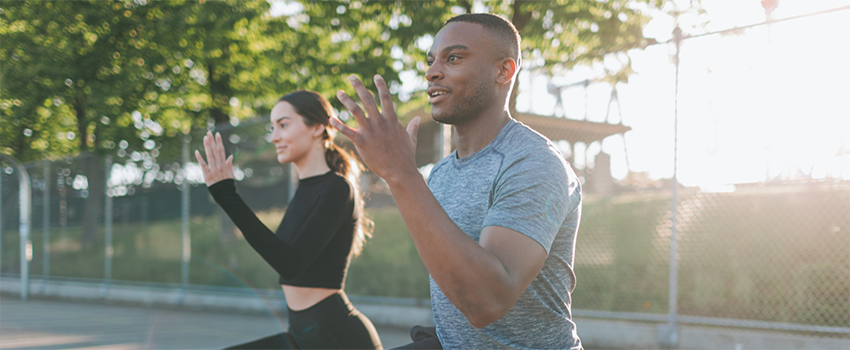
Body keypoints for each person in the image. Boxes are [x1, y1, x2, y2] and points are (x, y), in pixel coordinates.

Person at [329, 13, 583, 350]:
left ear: (503, 71)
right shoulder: (442, 172)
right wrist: (402, 176)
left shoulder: (534, 163)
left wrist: (400, 173)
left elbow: (486, 303)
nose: (432, 72)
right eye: (431, 60)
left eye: (453, 58)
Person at [195, 90, 383, 350]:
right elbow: (279, 253)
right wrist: (226, 195)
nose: (274, 137)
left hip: (338, 338)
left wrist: (228, 197)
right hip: (301, 334)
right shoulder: (305, 190)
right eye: (272, 128)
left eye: (283, 125)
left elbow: (290, 264)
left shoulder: (338, 189)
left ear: (317, 127)